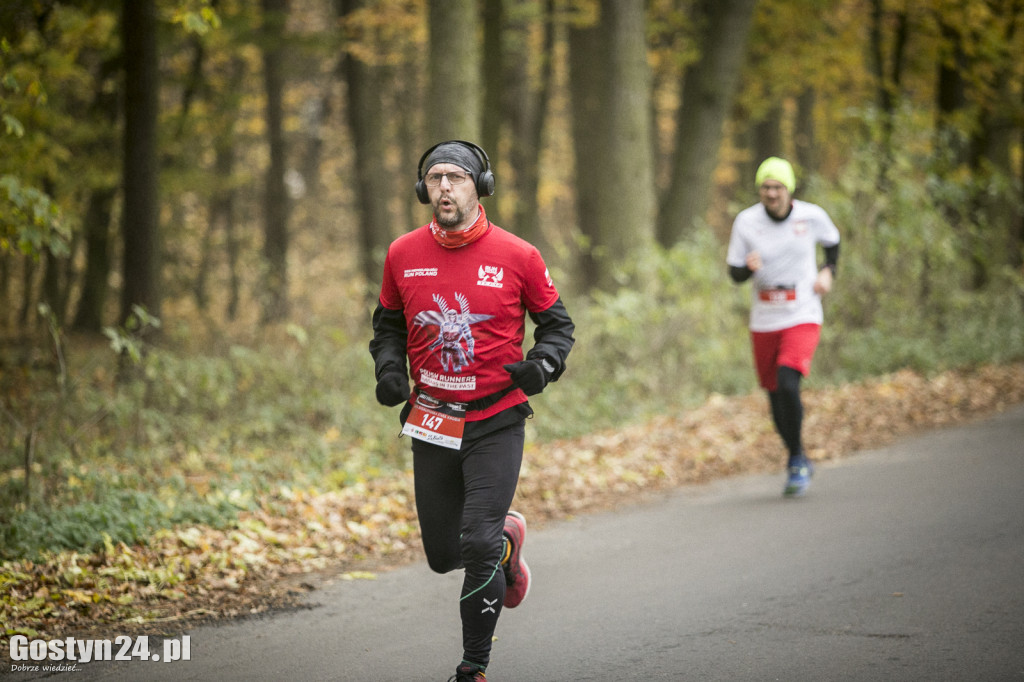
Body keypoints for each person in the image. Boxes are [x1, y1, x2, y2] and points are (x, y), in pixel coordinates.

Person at [369, 140, 575, 681]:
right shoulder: (401, 254)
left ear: (478, 187)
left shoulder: (518, 255)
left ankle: (473, 666)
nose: (444, 188)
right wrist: (389, 372)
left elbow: (558, 326)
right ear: (422, 189)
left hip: (495, 417)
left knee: (476, 542)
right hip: (432, 418)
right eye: (435, 178)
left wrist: (542, 366)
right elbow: (387, 327)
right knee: (443, 554)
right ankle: (507, 542)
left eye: (456, 178)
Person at [726, 156, 840, 497]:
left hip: (802, 312)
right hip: (764, 319)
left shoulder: (812, 216)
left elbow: (833, 243)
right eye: (765, 187)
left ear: (789, 189)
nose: (771, 193)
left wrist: (828, 272)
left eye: (777, 187)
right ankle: (798, 454)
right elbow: (734, 274)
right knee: (775, 397)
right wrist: (748, 268)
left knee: (789, 381)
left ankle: (795, 459)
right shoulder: (746, 222)